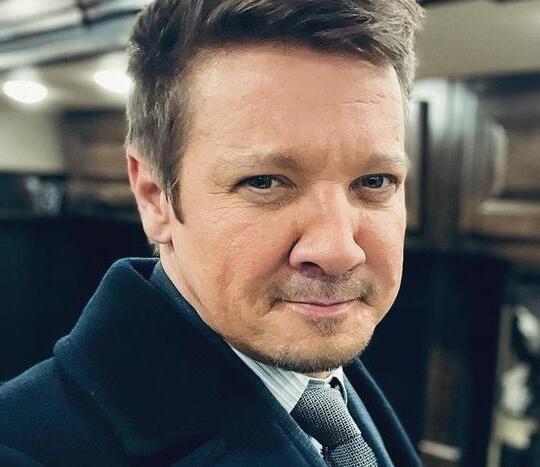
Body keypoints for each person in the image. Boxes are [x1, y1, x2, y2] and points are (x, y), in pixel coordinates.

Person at [0, 0, 424, 465]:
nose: (339, 250)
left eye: (375, 181)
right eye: (264, 182)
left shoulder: (327, 380)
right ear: (155, 197)